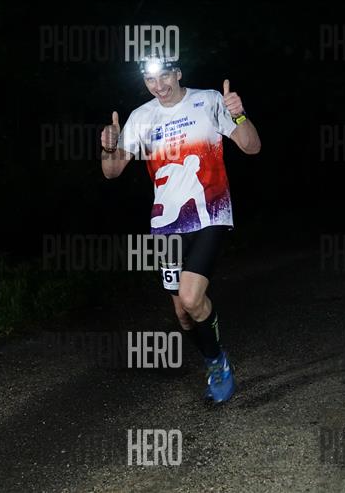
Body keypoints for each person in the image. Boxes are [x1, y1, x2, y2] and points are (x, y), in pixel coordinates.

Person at [100, 55, 261, 403]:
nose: (158, 86)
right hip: (166, 226)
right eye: (150, 80)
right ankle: (212, 359)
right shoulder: (141, 117)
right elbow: (111, 171)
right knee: (183, 314)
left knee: (190, 297)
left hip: (209, 214)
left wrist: (239, 115)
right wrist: (108, 147)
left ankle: (218, 365)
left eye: (164, 77)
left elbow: (252, 147)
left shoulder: (208, 101)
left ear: (178, 73)